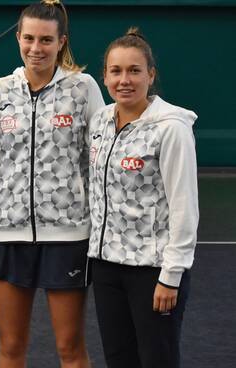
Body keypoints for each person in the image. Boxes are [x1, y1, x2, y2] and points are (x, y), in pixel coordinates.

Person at [0, 0, 105, 366]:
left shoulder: (83, 87)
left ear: (61, 42)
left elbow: (99, 156)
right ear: (17, 38)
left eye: (46, 40)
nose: (35, 48)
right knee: (10, 348)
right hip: (8, 235)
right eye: (28, 38)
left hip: (67, 237)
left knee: (69, 349)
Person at [88, 27, 198, 368]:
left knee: (157, 359)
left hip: (153, 272)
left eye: (135, 71)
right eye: (116, 71)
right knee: (119, 359)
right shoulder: (100, 121)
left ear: (151, 75)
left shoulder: (171, 128)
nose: (125, 80)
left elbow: (184, 208)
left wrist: (171, 275)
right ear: (104, 76)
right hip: (106, 267)